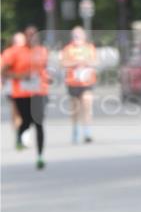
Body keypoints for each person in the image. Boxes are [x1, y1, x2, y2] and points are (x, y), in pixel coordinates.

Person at [0, 25, 50, 169]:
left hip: (39, 93)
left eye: (35, 34)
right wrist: (21, 76)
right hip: (21, 93)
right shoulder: (16, 52)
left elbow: (44, 69)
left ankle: (40, 156)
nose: (32, 37)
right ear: (25, 36)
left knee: (39, 123)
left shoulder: (42, 51)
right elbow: (4, 72)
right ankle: (19, 136)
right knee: (26, 121)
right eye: (29, 34)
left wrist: (46, 78)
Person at [59, 26, 97, 144]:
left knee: (87, 103)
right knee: (75, 109)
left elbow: (95, 61)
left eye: (79, 35)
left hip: (87, 81)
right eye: (75, 35)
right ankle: (76, 130)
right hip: (73, 82)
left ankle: (87, 132)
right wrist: (76, 62)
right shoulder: (68, 49)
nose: (77, 37)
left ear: (84, 36)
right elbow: (63, 63)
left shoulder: (89, 48)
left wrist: (86, 62)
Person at [2, 32, 27, 148]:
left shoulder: (29, 52)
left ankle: (23, 134)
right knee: (16, 112)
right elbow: (3, 71)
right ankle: (19, 136)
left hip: (28, 88)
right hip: (13, 87)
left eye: (21, 41)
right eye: (16, 41)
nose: (19, 43)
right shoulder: (8, 53)